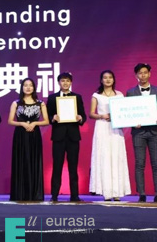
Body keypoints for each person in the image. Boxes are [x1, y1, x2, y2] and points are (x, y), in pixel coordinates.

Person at [89, 70, 130, 201]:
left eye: (110, 77)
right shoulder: (96, 95)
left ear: (113, 79)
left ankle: (117, 192)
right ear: (101, 80)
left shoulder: (120, 95)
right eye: (105, 78)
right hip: (102, 128)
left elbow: (124, 112)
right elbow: (91, 114)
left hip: (116, 128)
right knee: (104, 157)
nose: (108, 80)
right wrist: (102, 116)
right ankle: (106, 192)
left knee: (116, 157)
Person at [46, 72, 87, 202]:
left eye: (67, 81)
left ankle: (74, 195)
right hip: (58, 136)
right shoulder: (52, 98)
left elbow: (83, 115)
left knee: (73, 167)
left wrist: (80, 118)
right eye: (63, 81)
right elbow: (47, 116)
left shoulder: (77, 97)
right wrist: (53, 118)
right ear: (59, 82)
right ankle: (54, 195)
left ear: (71, 83)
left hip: (73, 136)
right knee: (57, 166)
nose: (65, 83)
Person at [8, 78, 49, 201]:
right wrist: (22, 124)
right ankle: (20, 194)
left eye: (30, 85)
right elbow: (10, 121)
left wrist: (35, 123)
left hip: (34, 135)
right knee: (21, 162)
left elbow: (46, 121)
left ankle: (35, 194)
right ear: (22, 88)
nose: (28, 87)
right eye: (25, 85)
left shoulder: (40, 103)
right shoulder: (16, 103)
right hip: (20, 135)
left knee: (34, 161)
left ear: (34, 88)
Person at [126, 63, 157, 203]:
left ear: (149, 74)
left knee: (156, 163)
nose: (143, 75)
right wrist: (132, 121)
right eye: (140, 73)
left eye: (145, 72)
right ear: (136, 75)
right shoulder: (130, 92)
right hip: (138, 132)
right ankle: (141, 193)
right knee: (140, 163)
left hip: (155, 131)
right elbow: (127, 112)